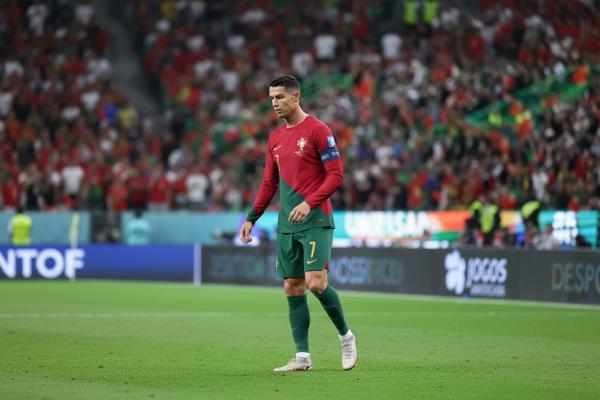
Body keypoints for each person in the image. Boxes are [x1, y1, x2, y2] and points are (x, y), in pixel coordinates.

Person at [239, 75, 358, 372]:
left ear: (296, 96)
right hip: (287, 224)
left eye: (279, 97)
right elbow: (269, 183)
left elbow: (336, 176)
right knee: (292, 287)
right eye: (271, 98)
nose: (274, 103)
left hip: (316, 219)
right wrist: (251, 218)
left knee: (315, 283)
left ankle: (346, 336)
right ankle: (302, 357)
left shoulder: (318, 130)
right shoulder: (275, 139)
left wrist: (309, 203)